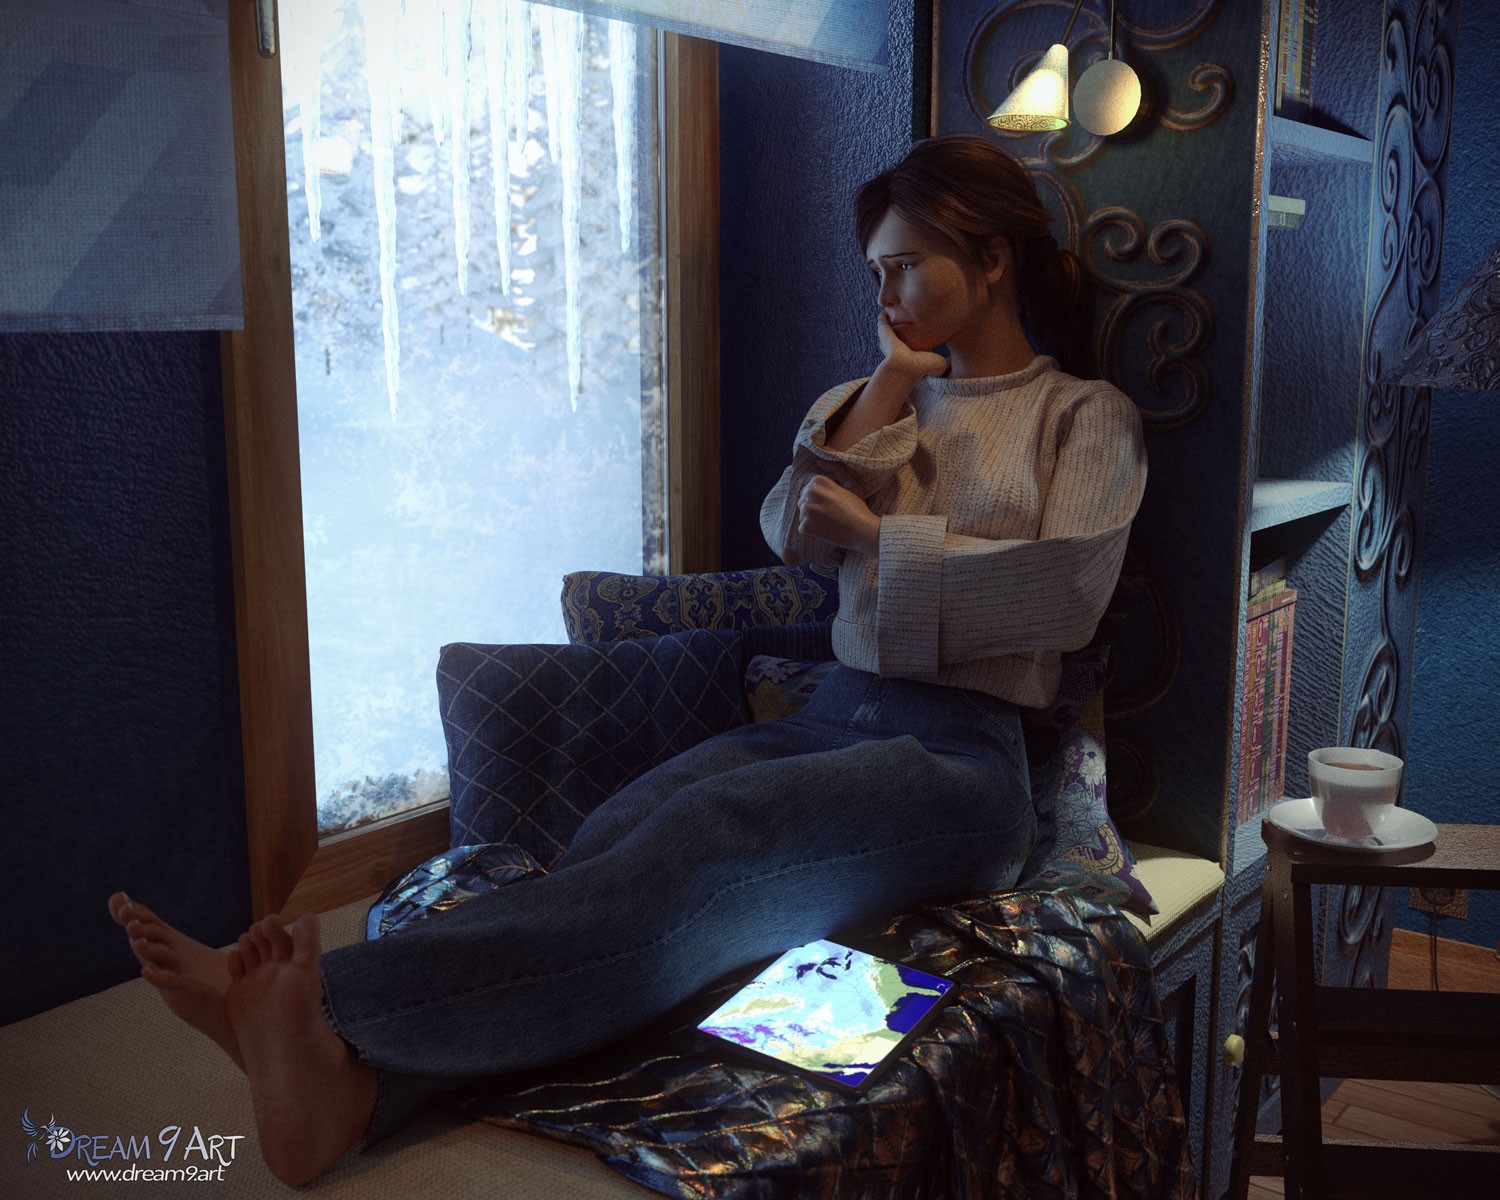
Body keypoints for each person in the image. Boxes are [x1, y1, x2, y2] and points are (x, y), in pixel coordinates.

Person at [109, 133, 1146, 1185]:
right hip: (836, 715)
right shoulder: (876, 398)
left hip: (961, 765)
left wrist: (882, 541)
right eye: (875, 273)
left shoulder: (1082, 417)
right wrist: (886, 386)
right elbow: (790, 529)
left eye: (906, 267)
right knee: (620, 830)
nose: (885, 296)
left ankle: (327, 1009)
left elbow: (1065, 594)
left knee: (711, 833)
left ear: (992, 258)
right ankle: (356, 1085)